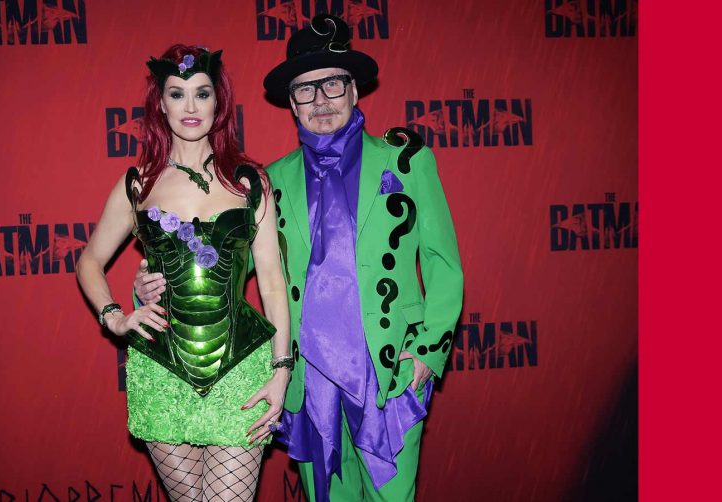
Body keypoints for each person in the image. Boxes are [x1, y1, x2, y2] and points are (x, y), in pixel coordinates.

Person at [137, 16, 464, 501]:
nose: (321, 100)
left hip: (389, 370)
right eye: (306, 90)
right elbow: (223, 268)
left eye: (332, 84)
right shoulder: (266, 182)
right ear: (292, 103)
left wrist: (427, 353)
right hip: (310, 381)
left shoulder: (406, 162)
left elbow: (443, 263)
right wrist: (152, 282)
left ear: (354, 90)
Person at [76, 44, 292, 502]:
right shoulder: (139, 182)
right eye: (177, 94)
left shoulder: (250, 182)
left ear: (218, 102)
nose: (190, 107)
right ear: (161, 103)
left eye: (202, 93)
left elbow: (273, 284)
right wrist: (115, 317)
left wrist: (281, 370)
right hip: (162, 370)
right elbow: (89, 261)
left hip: (241, 371)